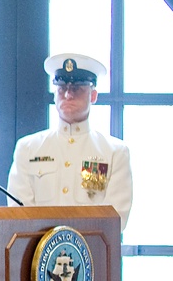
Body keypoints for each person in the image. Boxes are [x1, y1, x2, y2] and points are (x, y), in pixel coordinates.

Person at [7, 53, 133, 231]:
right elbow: (18, 213)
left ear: (93, 95)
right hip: (37, 254)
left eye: (77, 89)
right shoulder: (28, 148)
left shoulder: (114, 152)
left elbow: (116, 218)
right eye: (61, 88)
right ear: (54, 95)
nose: (68, 95)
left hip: (92, 254)